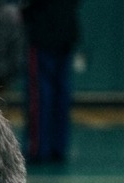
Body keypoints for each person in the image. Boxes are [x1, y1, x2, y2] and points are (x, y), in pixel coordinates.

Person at [21, 0, 80, 163]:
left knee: (41, 94)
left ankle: (39, 148)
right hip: (65, 33)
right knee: (60, 92)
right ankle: (57, 147)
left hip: (43, 34)